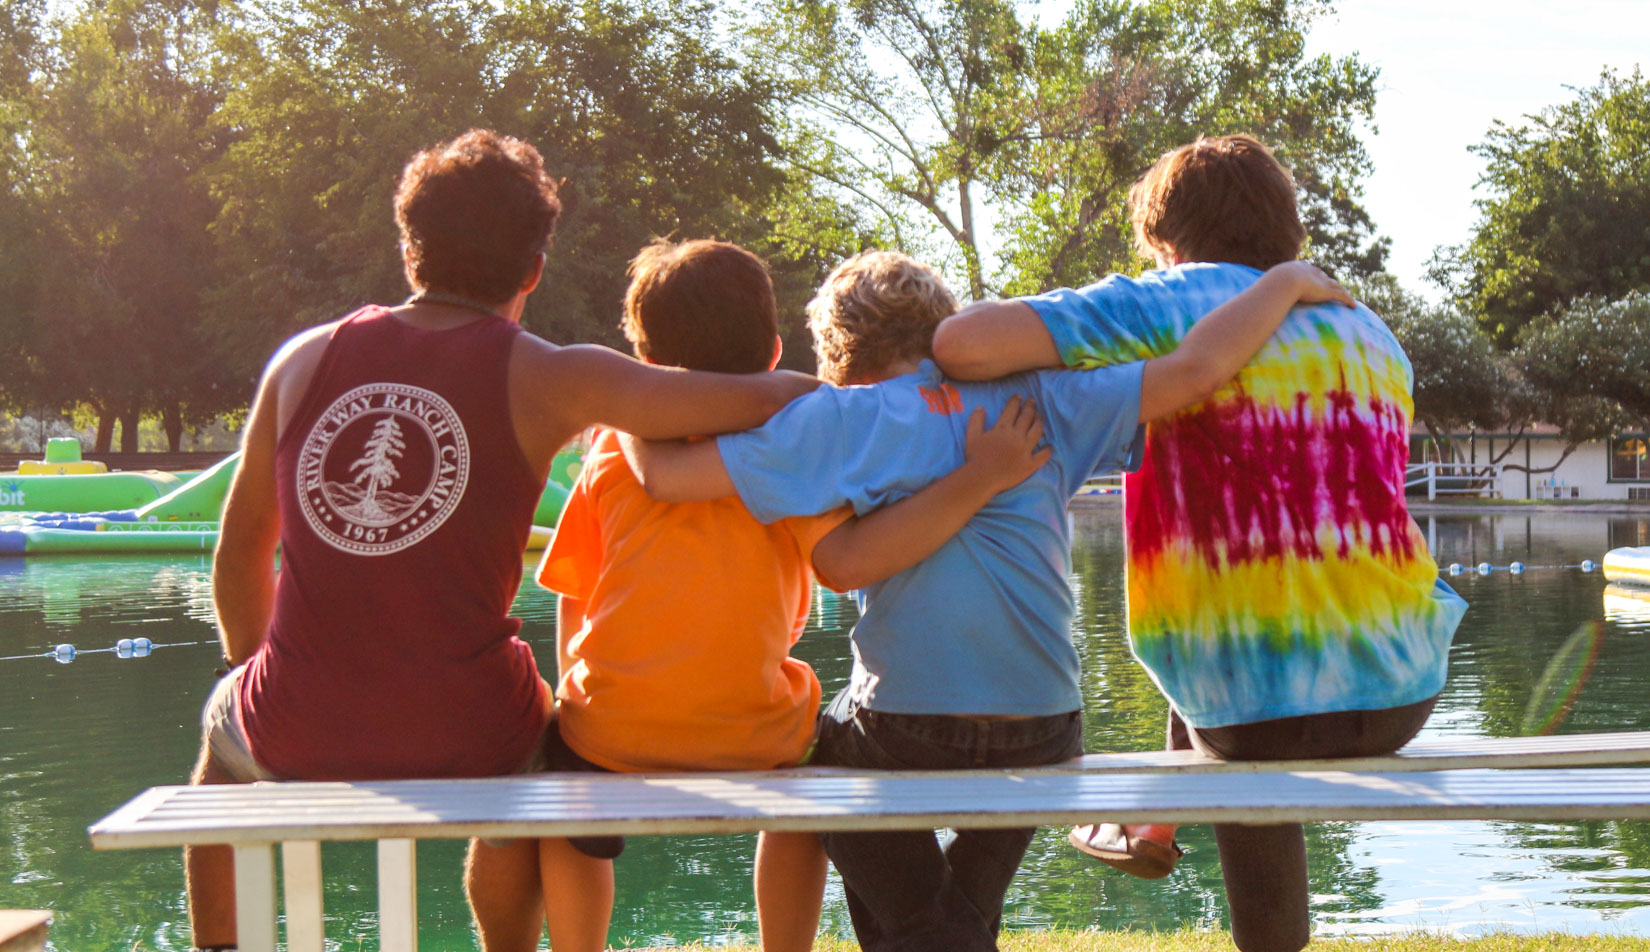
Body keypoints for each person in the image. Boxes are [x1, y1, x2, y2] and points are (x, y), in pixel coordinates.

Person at [185, 130, 821, 952]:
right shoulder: (555, 377)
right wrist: (824, 392)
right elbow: (726, 400)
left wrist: (257, 672)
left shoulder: (303, 359)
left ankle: (219, 947)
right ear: (534, 267)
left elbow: (240, 553)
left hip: (295, 723)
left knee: (217, 751)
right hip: (468, 730)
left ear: (410, 248)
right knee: (540, 745)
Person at [626, 248, 1352, 952]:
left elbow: (665, 476)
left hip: (909, 730)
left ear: (839, 354)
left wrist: (624, 396)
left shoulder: (845, 419)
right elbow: (1196, 369)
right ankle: (948, 929)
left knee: (819, 754)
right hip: (1045, 727)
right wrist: (1282, 284)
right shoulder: (1041, 397)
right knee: (937, 899)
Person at [930, 134, 1469, 952]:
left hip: (1253, 710)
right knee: (1247, 633)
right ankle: (1149, 825)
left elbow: (959, 345)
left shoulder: (1170, 301)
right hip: (1404, 686)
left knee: (1237, 672)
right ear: (1282, 230)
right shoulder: (1370, 334)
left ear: (1168, 240)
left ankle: (1161, 836)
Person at [518, 237, 1051, 952]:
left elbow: (573, 595)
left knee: (569, 811)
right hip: (754, 730)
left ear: (645, 363)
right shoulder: (797, 445)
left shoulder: (613, 451)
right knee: (817, 778)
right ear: (774, 352)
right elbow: (841, 562)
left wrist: (580, 710)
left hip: (608, 732)